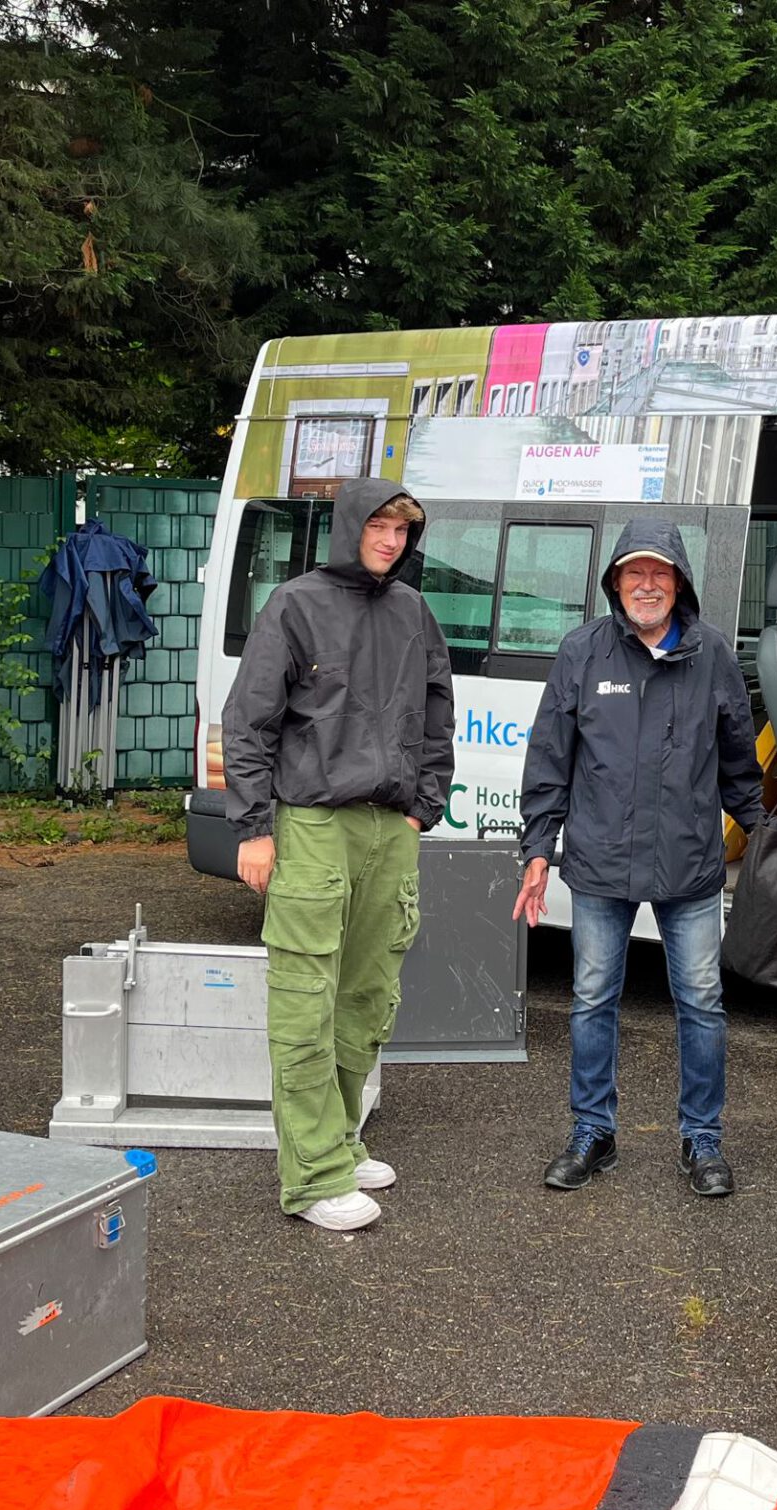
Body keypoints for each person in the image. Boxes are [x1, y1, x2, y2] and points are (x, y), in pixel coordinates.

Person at [220, 479, 455, 1233]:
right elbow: (248, 718)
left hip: (390, 827)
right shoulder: (296, 603)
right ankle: (313, 1175)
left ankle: (343, 1140)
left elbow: (438, 708)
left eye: (402, 529)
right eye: (380, 525)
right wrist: (254, 827)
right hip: (313, 821)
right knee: (305, 999)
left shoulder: (414, 611)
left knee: (366, 996)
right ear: (352, 525)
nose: (390, 539)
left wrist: (426, 805)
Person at [516, 520, 763, 1196]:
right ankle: (593, 1132)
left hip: (688, 865)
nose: (647, 584)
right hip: (599, 862)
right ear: (615, 583)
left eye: (659, 572)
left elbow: (741, 760)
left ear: (679, 580)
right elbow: (549, 761)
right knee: (593, 999)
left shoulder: (712, 654)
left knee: (703, 1002)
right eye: (634, 573)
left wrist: (767, 835)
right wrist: (538, 847)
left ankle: (703, 1139)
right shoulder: (582, 652)